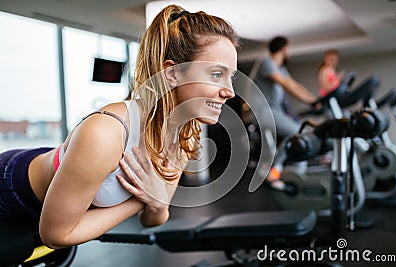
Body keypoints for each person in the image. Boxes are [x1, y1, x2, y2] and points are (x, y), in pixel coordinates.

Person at [0, 4, 239, 250]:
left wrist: (156, 203)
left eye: (230, 76)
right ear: (172, 73)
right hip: (10, 186)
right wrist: (142, 199)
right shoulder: (106, 132)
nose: (230, 91)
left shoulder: (182, 139)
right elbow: (56, 235)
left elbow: (154, 217)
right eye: (216, 74)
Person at [252, 36, 318, 182]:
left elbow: (293, 84)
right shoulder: (266, 62)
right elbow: (285, 84)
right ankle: (275, 169)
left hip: (275, 111)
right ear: (284, 49)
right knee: (298, 132)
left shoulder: (280, 68)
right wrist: (310, 101)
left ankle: (288, 170)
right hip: (263, 111)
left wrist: (315, 100)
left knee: (302, 132)